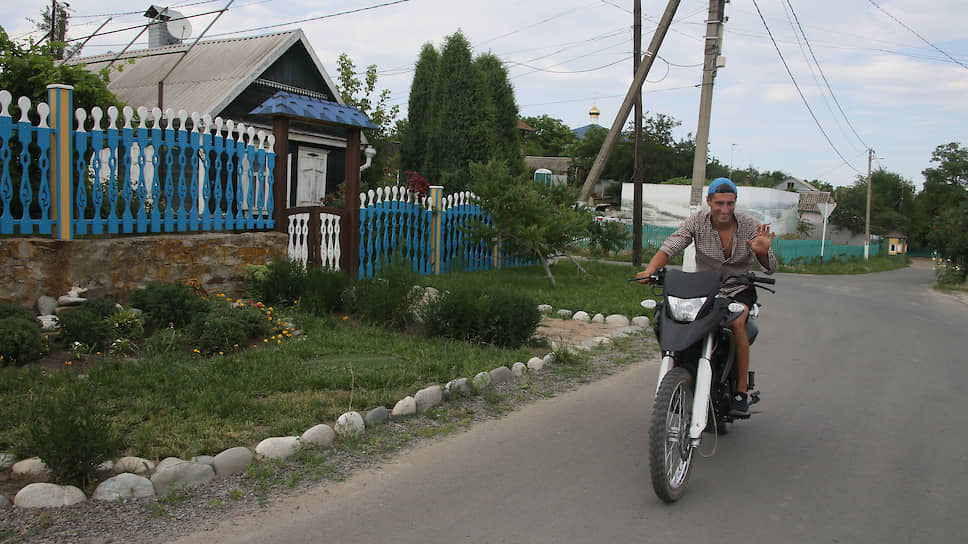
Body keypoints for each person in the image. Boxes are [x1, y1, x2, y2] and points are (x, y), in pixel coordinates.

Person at [635, 177, 777, 416]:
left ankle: (741, 392)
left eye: (730, 203)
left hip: (738, 286)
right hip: (706, 286)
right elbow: (672, 245)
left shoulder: (750, 225)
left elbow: (770, 267)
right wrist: (651, 270)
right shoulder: (697, 221)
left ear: (735, 204)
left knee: (738, 320)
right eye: (719, 203)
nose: (725, 209)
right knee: (669, 316)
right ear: (709, 201)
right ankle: (679, 372)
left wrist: (762, 253)